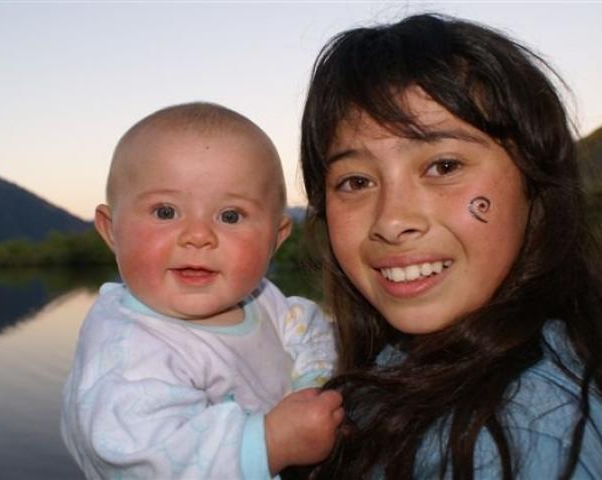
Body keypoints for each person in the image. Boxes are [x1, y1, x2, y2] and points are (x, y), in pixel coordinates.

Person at [300, 13, 602, 479]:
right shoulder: (402, 367)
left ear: (534, 185)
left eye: (443, 166)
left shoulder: (513, 439)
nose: (392, 220)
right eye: (355, 181)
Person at [61, 102, 342, 479]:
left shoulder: (263, 300)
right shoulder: (127, 351)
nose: (197, 236)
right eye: (165, 212)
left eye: (230, 216)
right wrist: (271, 442)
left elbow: (308, 331)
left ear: (274, 240)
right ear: (112, 231)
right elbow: (141, 456)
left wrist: (310, 387)